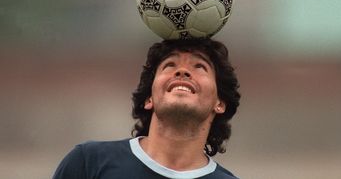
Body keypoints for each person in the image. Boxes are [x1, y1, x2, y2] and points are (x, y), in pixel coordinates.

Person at [53, 38, 241, 179]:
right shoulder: (88, 163)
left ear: (220, 103)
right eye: (170, 65)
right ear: (149, 98)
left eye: (199, 66)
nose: (182, 71)